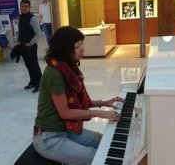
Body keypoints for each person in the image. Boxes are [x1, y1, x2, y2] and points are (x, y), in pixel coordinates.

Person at [33, 26, 125, 164]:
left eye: (82, 44)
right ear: (65, 48)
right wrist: (101, 114)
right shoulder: (54, 73)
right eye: (77, 46)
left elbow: (80, 101)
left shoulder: (67, 68)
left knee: (103, 141)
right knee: (96, 157)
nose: (82, 49)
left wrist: (104, 103)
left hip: (65, 130)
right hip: (49, 138)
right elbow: (65, 113)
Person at [17, 0, 42, 93]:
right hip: (23, 46)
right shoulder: (20, 17)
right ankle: (33, 82)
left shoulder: (33, 18)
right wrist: (19, 41)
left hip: (31, 47)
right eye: (22, 6)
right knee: (28, 65)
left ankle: (39, 84)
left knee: (34, 65)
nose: (24, 8)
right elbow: (20, 31)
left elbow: (38, 33)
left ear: (29, 7)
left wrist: (31, 43)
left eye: (26, 6)